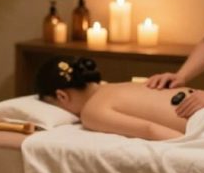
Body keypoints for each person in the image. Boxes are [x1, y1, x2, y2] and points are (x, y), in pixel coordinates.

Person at [36, 57, 188, 141]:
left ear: (61, 96)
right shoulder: (117, 85)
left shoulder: (91, 111)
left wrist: (196, 148)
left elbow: (149, 130)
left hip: (201, 120)